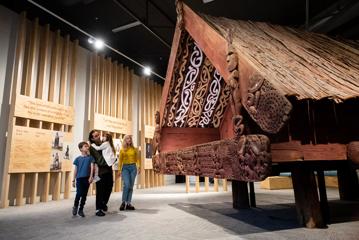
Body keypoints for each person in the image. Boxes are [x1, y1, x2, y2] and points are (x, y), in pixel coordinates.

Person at [88, 130, 113, 217]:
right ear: (92, 138)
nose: (98, 136)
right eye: (95, 136)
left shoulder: (104, 143)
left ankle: (103, 203)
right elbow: (99, 159)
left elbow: (110, 153)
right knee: (100, 190)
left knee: (109, 187)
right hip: (100, 170)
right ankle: (98, 209)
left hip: (109, 168)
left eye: (98, 135)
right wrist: (108, 162)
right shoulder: (92, 147)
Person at [72, 141, 94, 217]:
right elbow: (75, 170)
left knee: (84, 195)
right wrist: (73, 180)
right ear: (81, 149)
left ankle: (81, 209)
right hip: (79, 178)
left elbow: (92, 168)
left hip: (87, 178)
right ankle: (75, 206)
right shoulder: (77, 159)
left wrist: (91, 177)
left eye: (87, 146)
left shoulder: (90, 158)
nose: (87, 147)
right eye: (85, 146)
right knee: (79, 193)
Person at [118, 135, 140, 211]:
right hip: (125, 168)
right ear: (125, 140)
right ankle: (123, 202)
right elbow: (120, 161)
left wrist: (139, 167)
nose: (129, 139)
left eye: (130, 138)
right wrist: (119, 170)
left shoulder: (134, 149)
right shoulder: (122, 150)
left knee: (131, 186)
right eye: (127, 138)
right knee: (126, 185)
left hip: (133, 167)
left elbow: (137, 159)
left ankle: (128, 203)